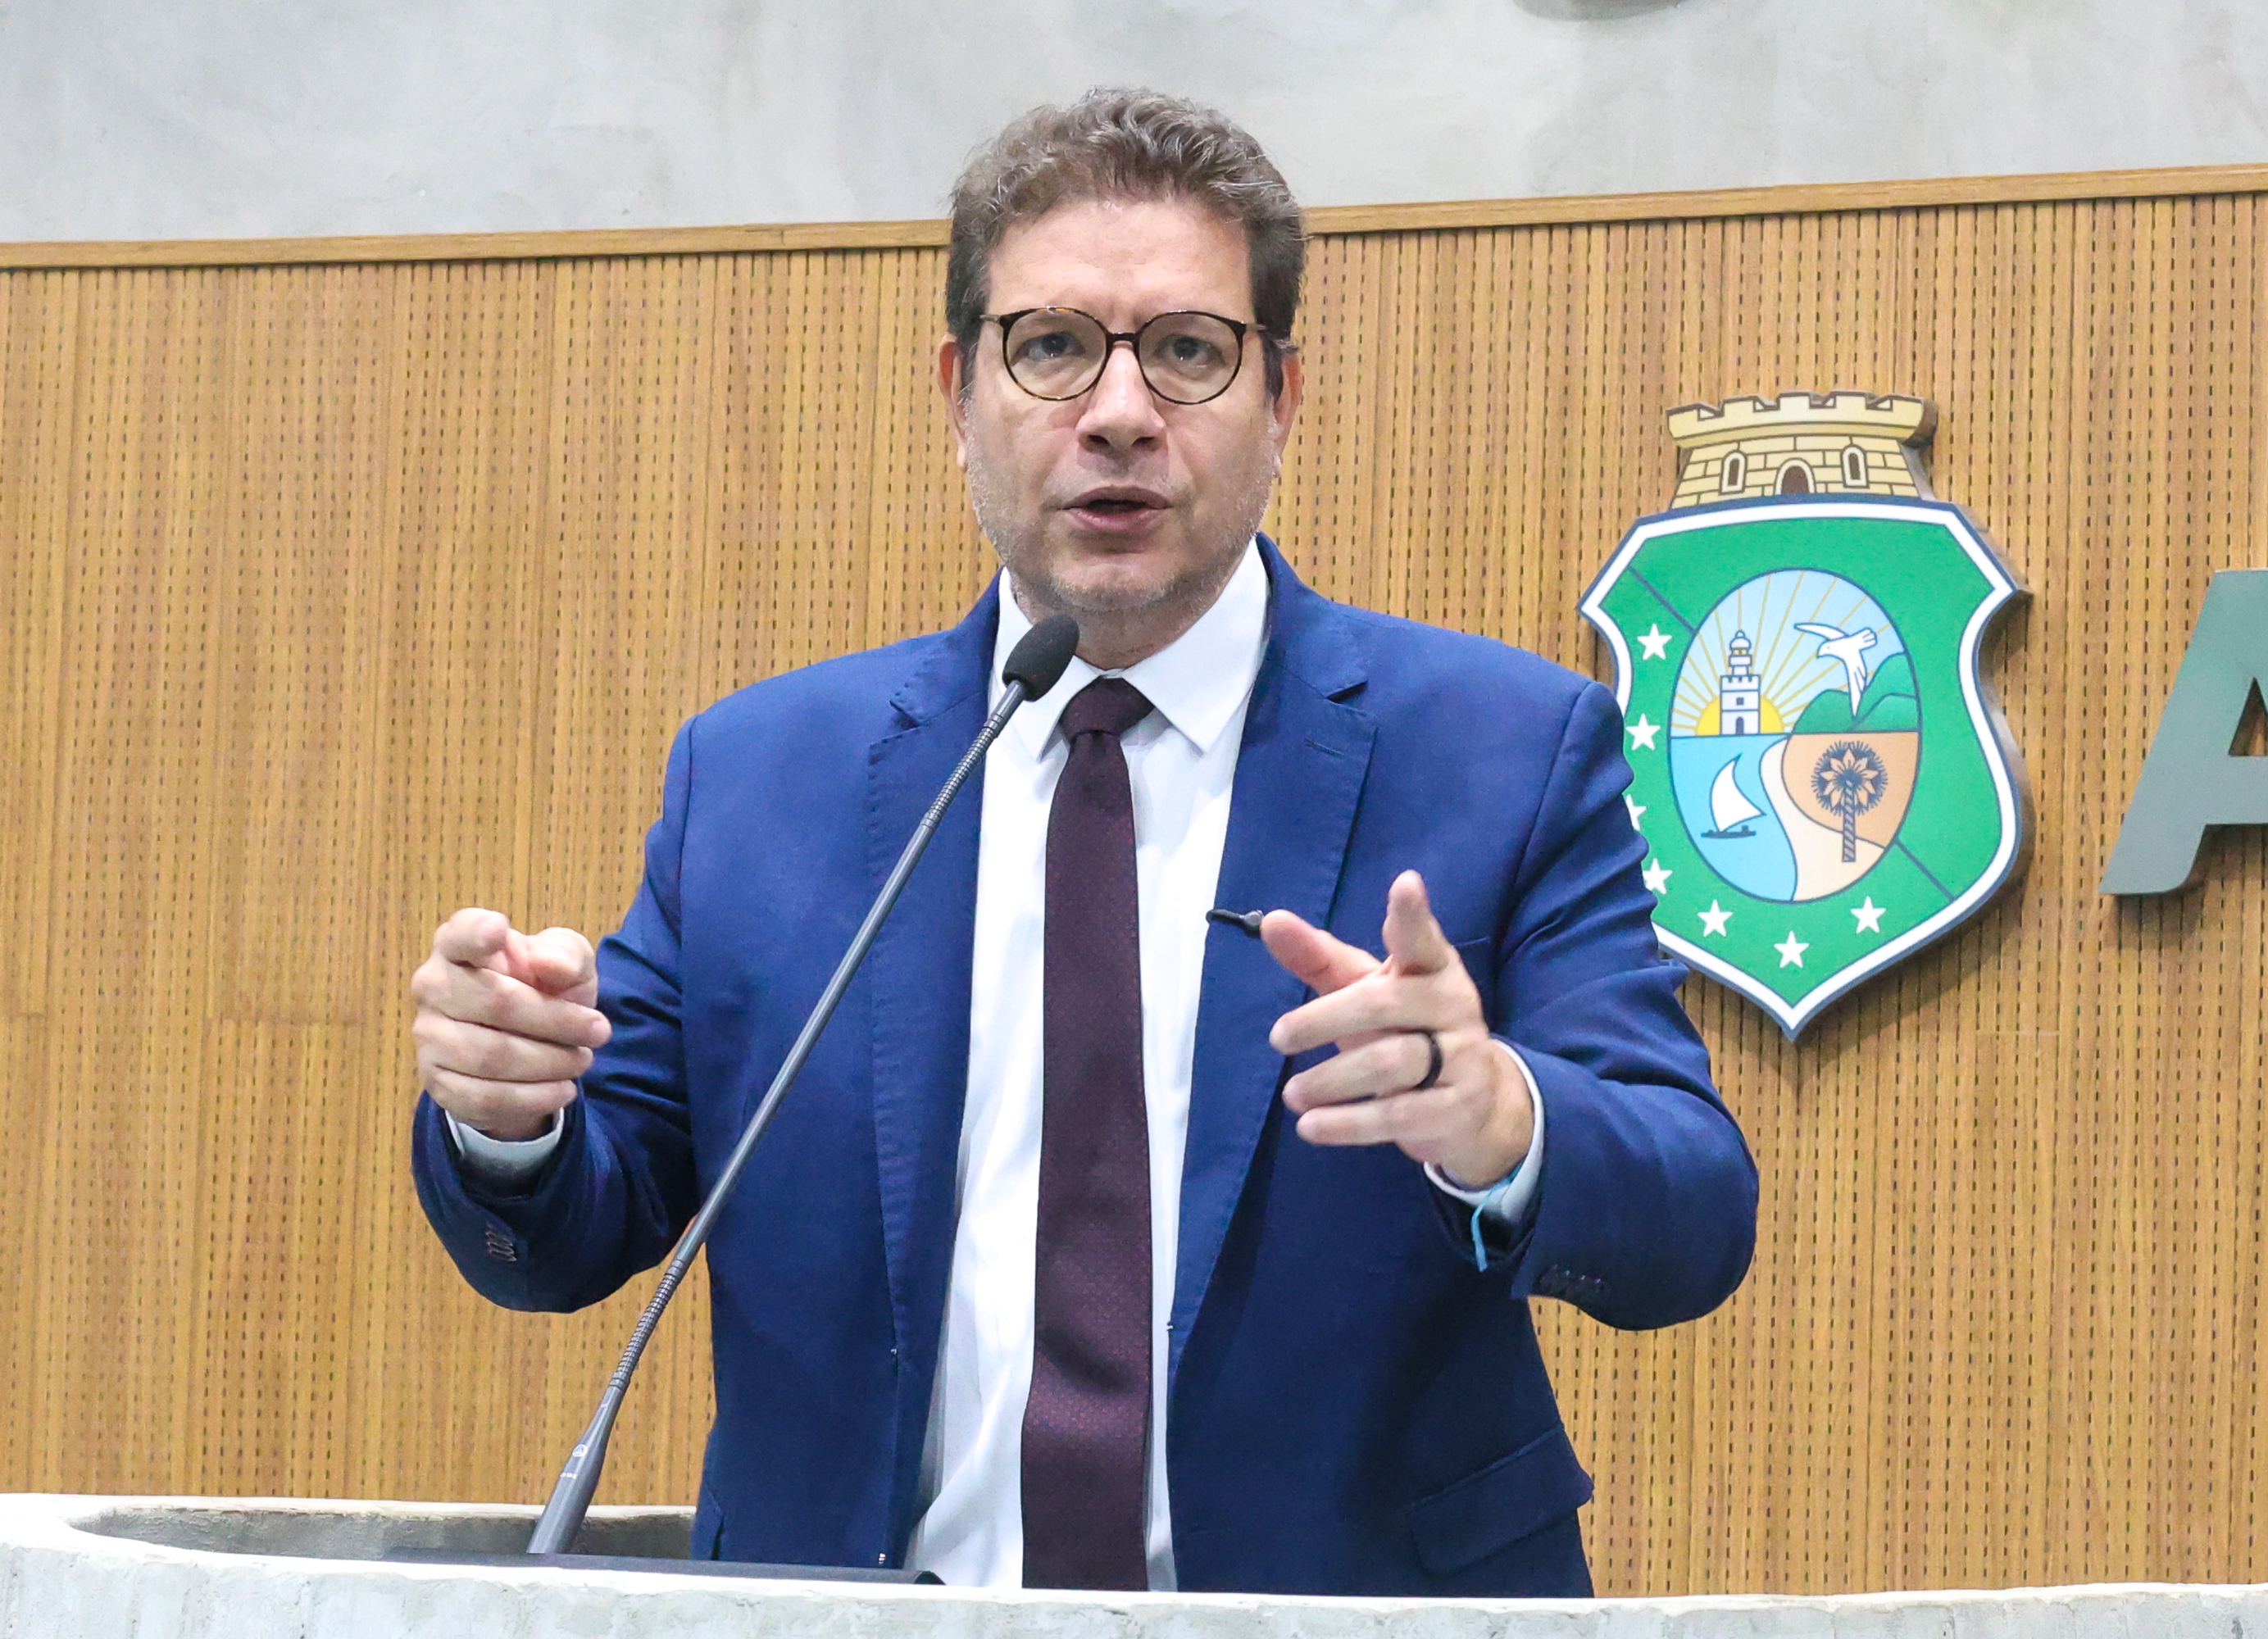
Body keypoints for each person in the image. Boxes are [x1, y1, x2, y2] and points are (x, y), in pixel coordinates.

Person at [407, 88, 1756, 1598]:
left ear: (1282, 398)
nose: (1119, 412)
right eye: (1052, 347)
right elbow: (584, 1221)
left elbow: (1693, 1214)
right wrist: (507, 1114)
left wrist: (1505, 1122)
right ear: (958, 389)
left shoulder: (1505, 750)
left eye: (1187, 350)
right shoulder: (765, 775)